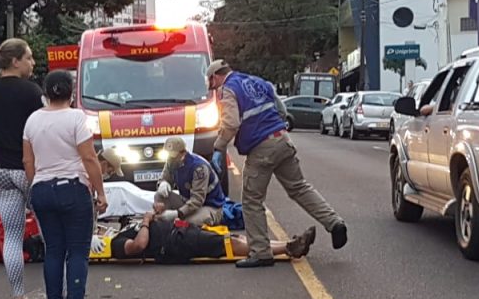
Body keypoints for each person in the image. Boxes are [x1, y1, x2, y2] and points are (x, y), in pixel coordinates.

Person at [207, 59, 349, 269]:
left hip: (261, 148)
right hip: (282, 139)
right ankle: (335, 223)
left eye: (212, 82)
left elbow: (231, 123)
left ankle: (261, 252)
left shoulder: (228, 89)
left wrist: (218, 148)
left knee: (251, 200)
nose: (214, 87)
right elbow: (281, 109)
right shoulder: (257, 81)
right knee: (299, 187)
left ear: (216, 76)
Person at [23, 70, 108, 299]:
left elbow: (28, 160)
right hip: (72, 188)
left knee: (54, 250)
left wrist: (36, 183)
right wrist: (100, 191)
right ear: (71, 92)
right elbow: (89, 157)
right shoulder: (75, 118)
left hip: (42, 189)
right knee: (78, 251)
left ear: (46, 94)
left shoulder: (32, 120)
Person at [0, 38, 43, 299]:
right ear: (15, 61)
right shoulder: (32, 93)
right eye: (28, 57)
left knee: (13, 236)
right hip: (30, 170)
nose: (32, 63)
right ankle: (61, 296)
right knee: (50, 232)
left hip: (1, 171)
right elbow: (42, 130)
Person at [106, 212, 317, 263]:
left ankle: (288, 244)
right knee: (229, 244)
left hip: (182, 231)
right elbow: (139, 245)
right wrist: (145, 222)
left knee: (232, 237)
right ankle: (289, 248)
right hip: (176, 243)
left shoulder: (123, 230)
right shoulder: (117, 242)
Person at [154, 136, 225, 226]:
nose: (171, 159)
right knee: (159, 195)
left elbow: (197, 200)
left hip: (209, 205)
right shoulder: (171, 162)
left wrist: (177, 213)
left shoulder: (199, 168)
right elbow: (165, 178)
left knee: (190, 223)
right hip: (187, 201)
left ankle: (180, 221)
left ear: (183, 153)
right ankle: (162, 221)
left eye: (173, 156)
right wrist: (163, 183)